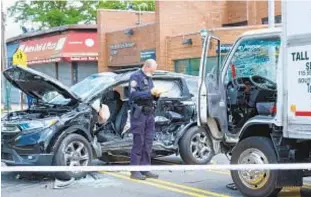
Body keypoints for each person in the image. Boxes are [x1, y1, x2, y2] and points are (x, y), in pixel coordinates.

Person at [128, 59, 162, 180]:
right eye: (152, 71)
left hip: (149, 114)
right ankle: (135, 171)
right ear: (147, 67)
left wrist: (156, 96)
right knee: (139, 143)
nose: (153, 73)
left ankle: (145, 169)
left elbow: (151, 95)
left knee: (148, 143)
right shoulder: (135, 77)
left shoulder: (149, 78)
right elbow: (132, 95)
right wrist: (149, 93)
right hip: (139, 115)